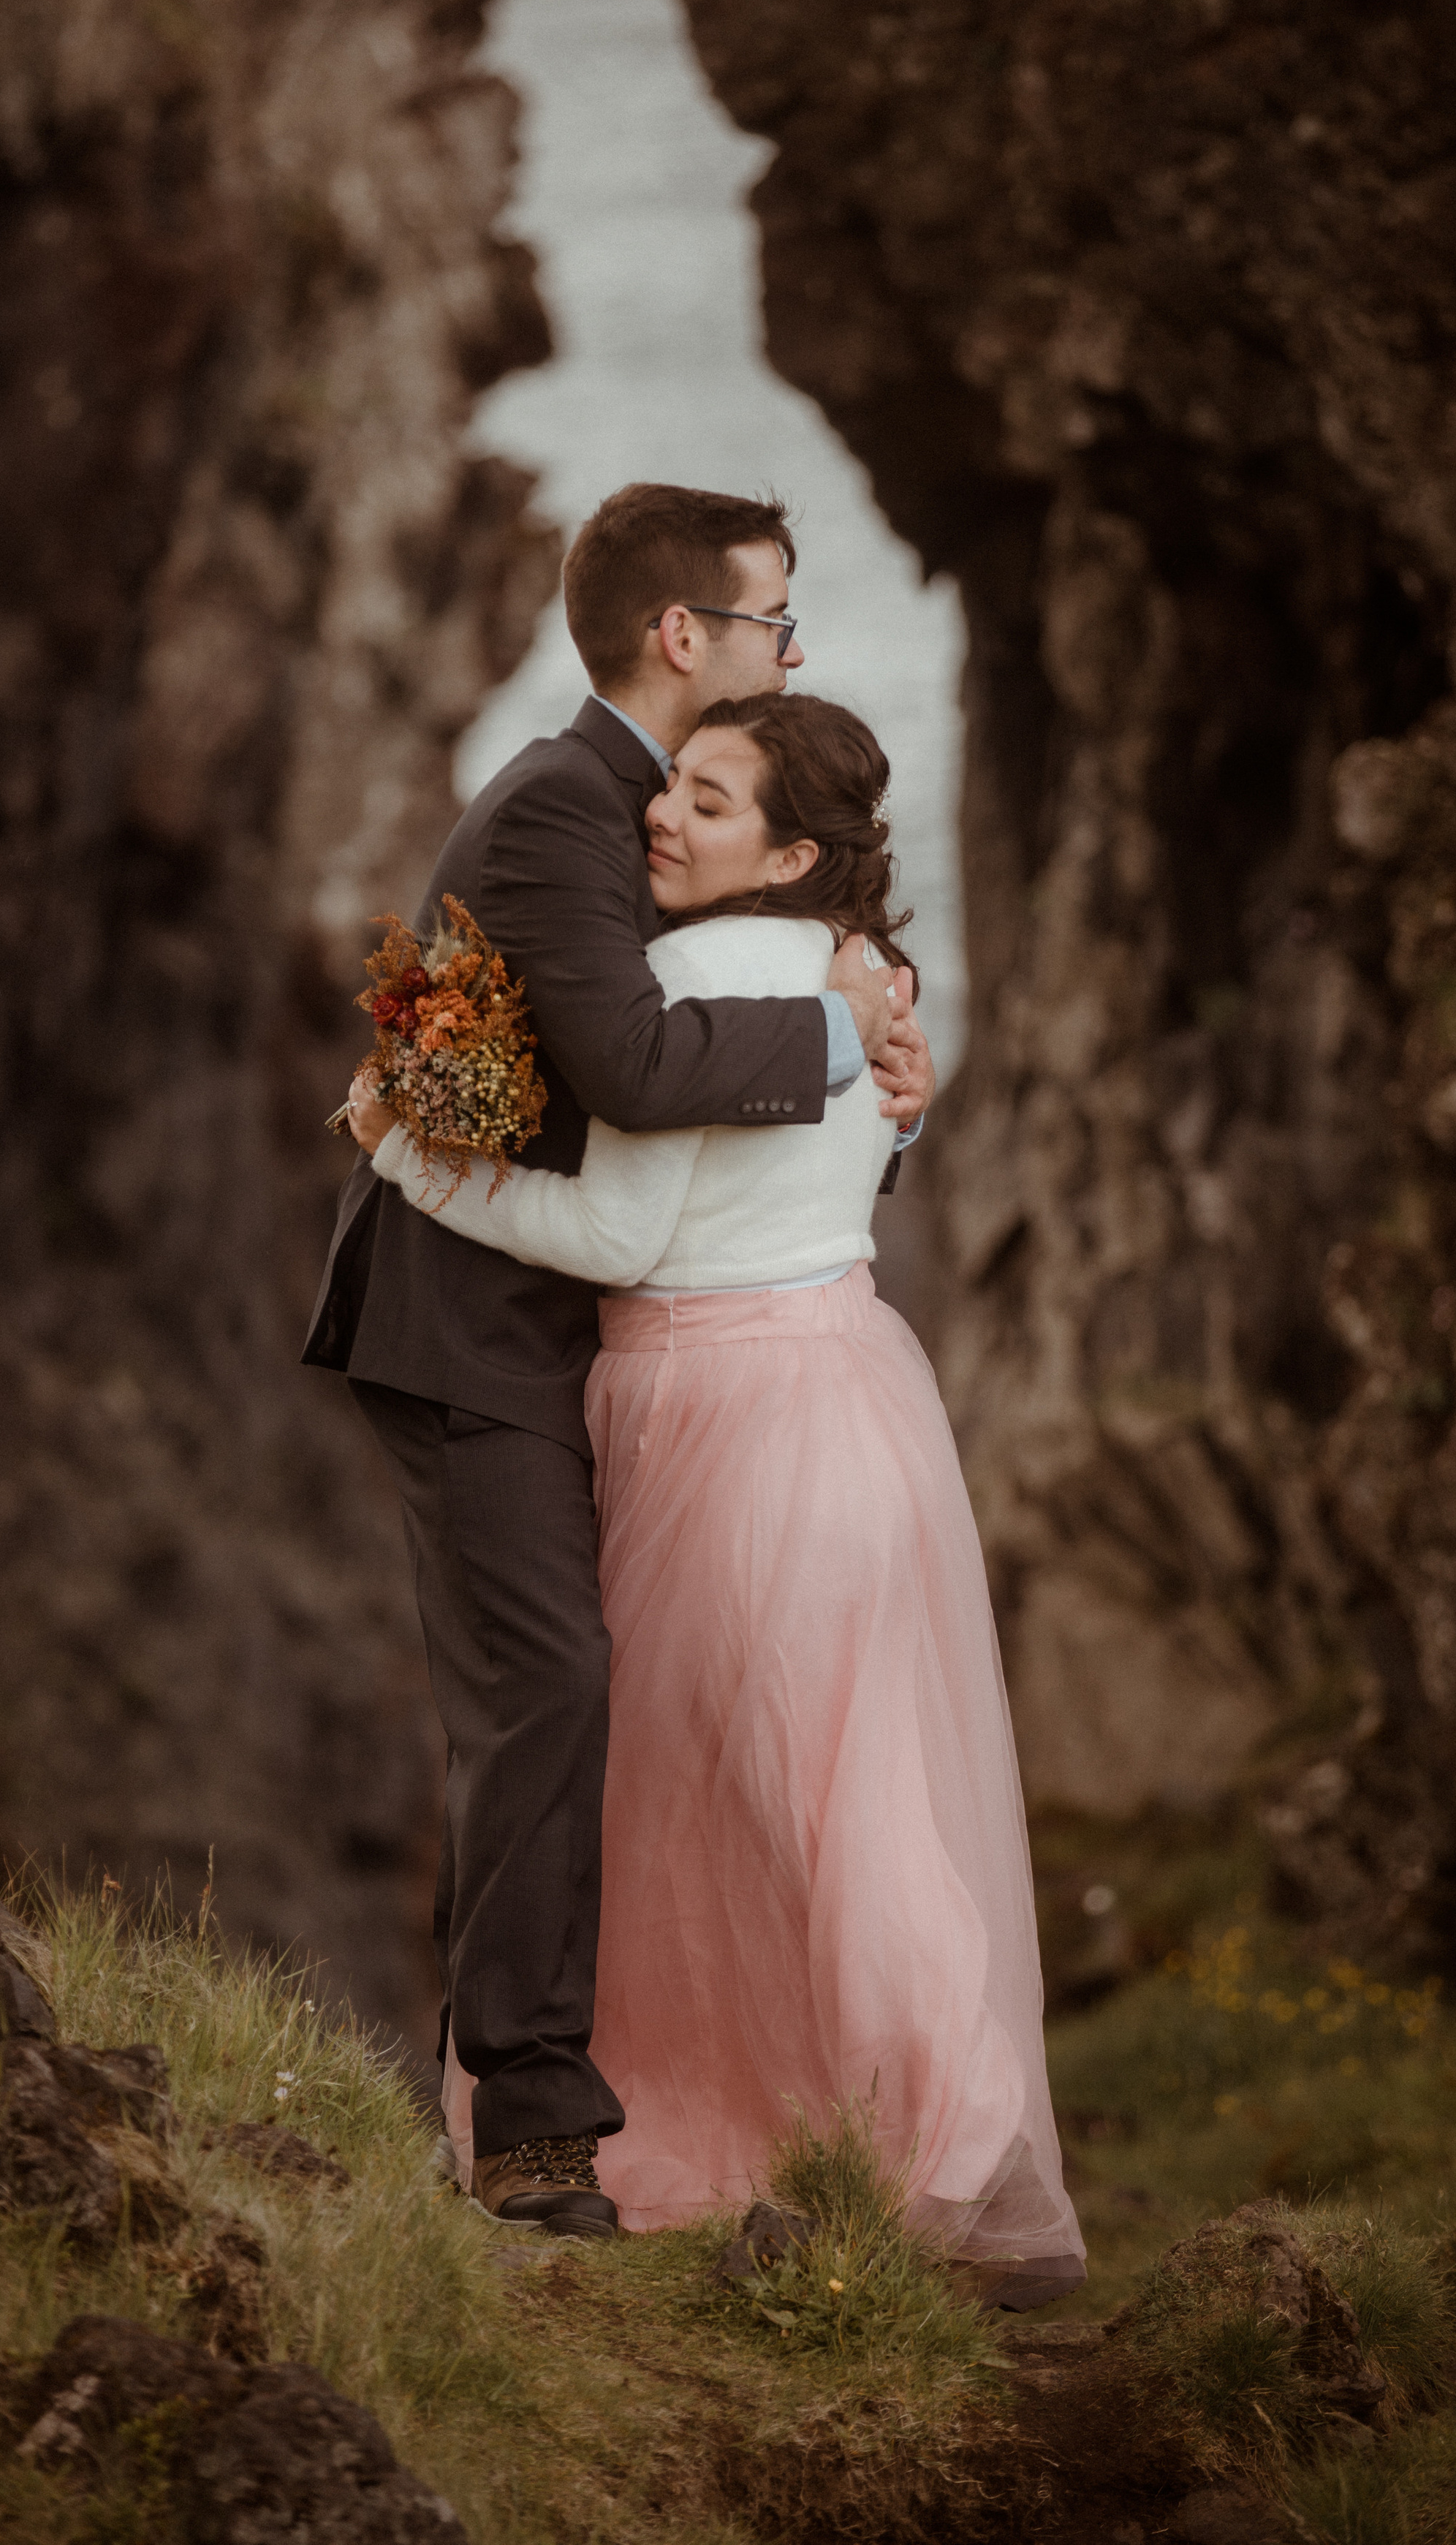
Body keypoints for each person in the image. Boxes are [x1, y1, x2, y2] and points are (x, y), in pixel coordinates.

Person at [349, 691, 1083, 2304]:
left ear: (792, 849)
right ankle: (933, 2141)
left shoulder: (686, 978)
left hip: (718, 1421)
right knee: (846, 1786)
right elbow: (849, 1162)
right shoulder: (872, 974)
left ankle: (900, 2147)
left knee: (711, 1796)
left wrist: (404, 1145)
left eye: (706, 799)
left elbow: (617, 1246)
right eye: (670, 782)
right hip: (854, 1394)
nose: (658, 818)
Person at [304, 485, 935, 2242]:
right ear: (688, 637)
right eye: (772, 624)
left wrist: (875, 1079)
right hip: (472, 1338)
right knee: (550, 1696)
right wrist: (845, 1024)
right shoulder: (550, 818)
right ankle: (525, 2133)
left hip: (597, 1335)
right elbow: (649, 1070)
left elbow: (702, 1105)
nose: (783, 650)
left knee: (628, 1710)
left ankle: (745, 2098)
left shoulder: (648, 825)